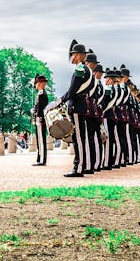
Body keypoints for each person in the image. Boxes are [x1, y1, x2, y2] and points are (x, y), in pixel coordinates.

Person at [59, 40, 94, 177]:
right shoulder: (86, 69)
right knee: (80, 137)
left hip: (77, 106)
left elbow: (73, 89)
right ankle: (81, 165)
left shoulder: (80, 69)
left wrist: (61, 100)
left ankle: (78, 167)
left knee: (78, 138)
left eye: (72, 55)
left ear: (78, 55)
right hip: (80, 105)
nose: (71, 57)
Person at [31, 74, 50, 166]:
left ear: (41, 83)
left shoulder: (42, 94)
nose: (35, 85)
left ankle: (42, 159)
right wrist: (34, 110)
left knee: (41, 140)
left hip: (40, 120)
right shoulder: (40, 94)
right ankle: (40, 158)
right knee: (40, 140)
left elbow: (42, 108)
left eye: (37, 83)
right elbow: (38, 107)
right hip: (39, 119)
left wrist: (37, 115)